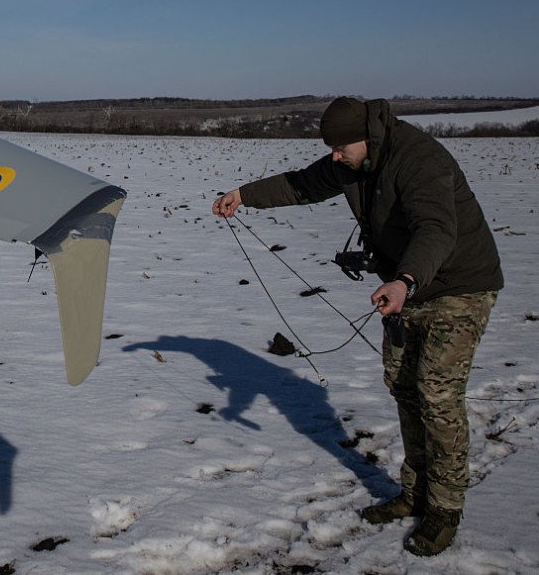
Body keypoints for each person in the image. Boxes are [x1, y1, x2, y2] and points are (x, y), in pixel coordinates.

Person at [211, 96, 503, 557]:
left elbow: (436, 230)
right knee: (404, 385)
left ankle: (444, 509)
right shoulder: (351, 159)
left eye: (342, 146)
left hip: (458, 284)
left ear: (368, 136)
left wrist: (405, 279)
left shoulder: (420, 160)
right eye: (330, 147)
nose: (334, 155)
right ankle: (413, 493)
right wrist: (245, 195)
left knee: (437, 393)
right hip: (404, 286)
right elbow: (303, 184)